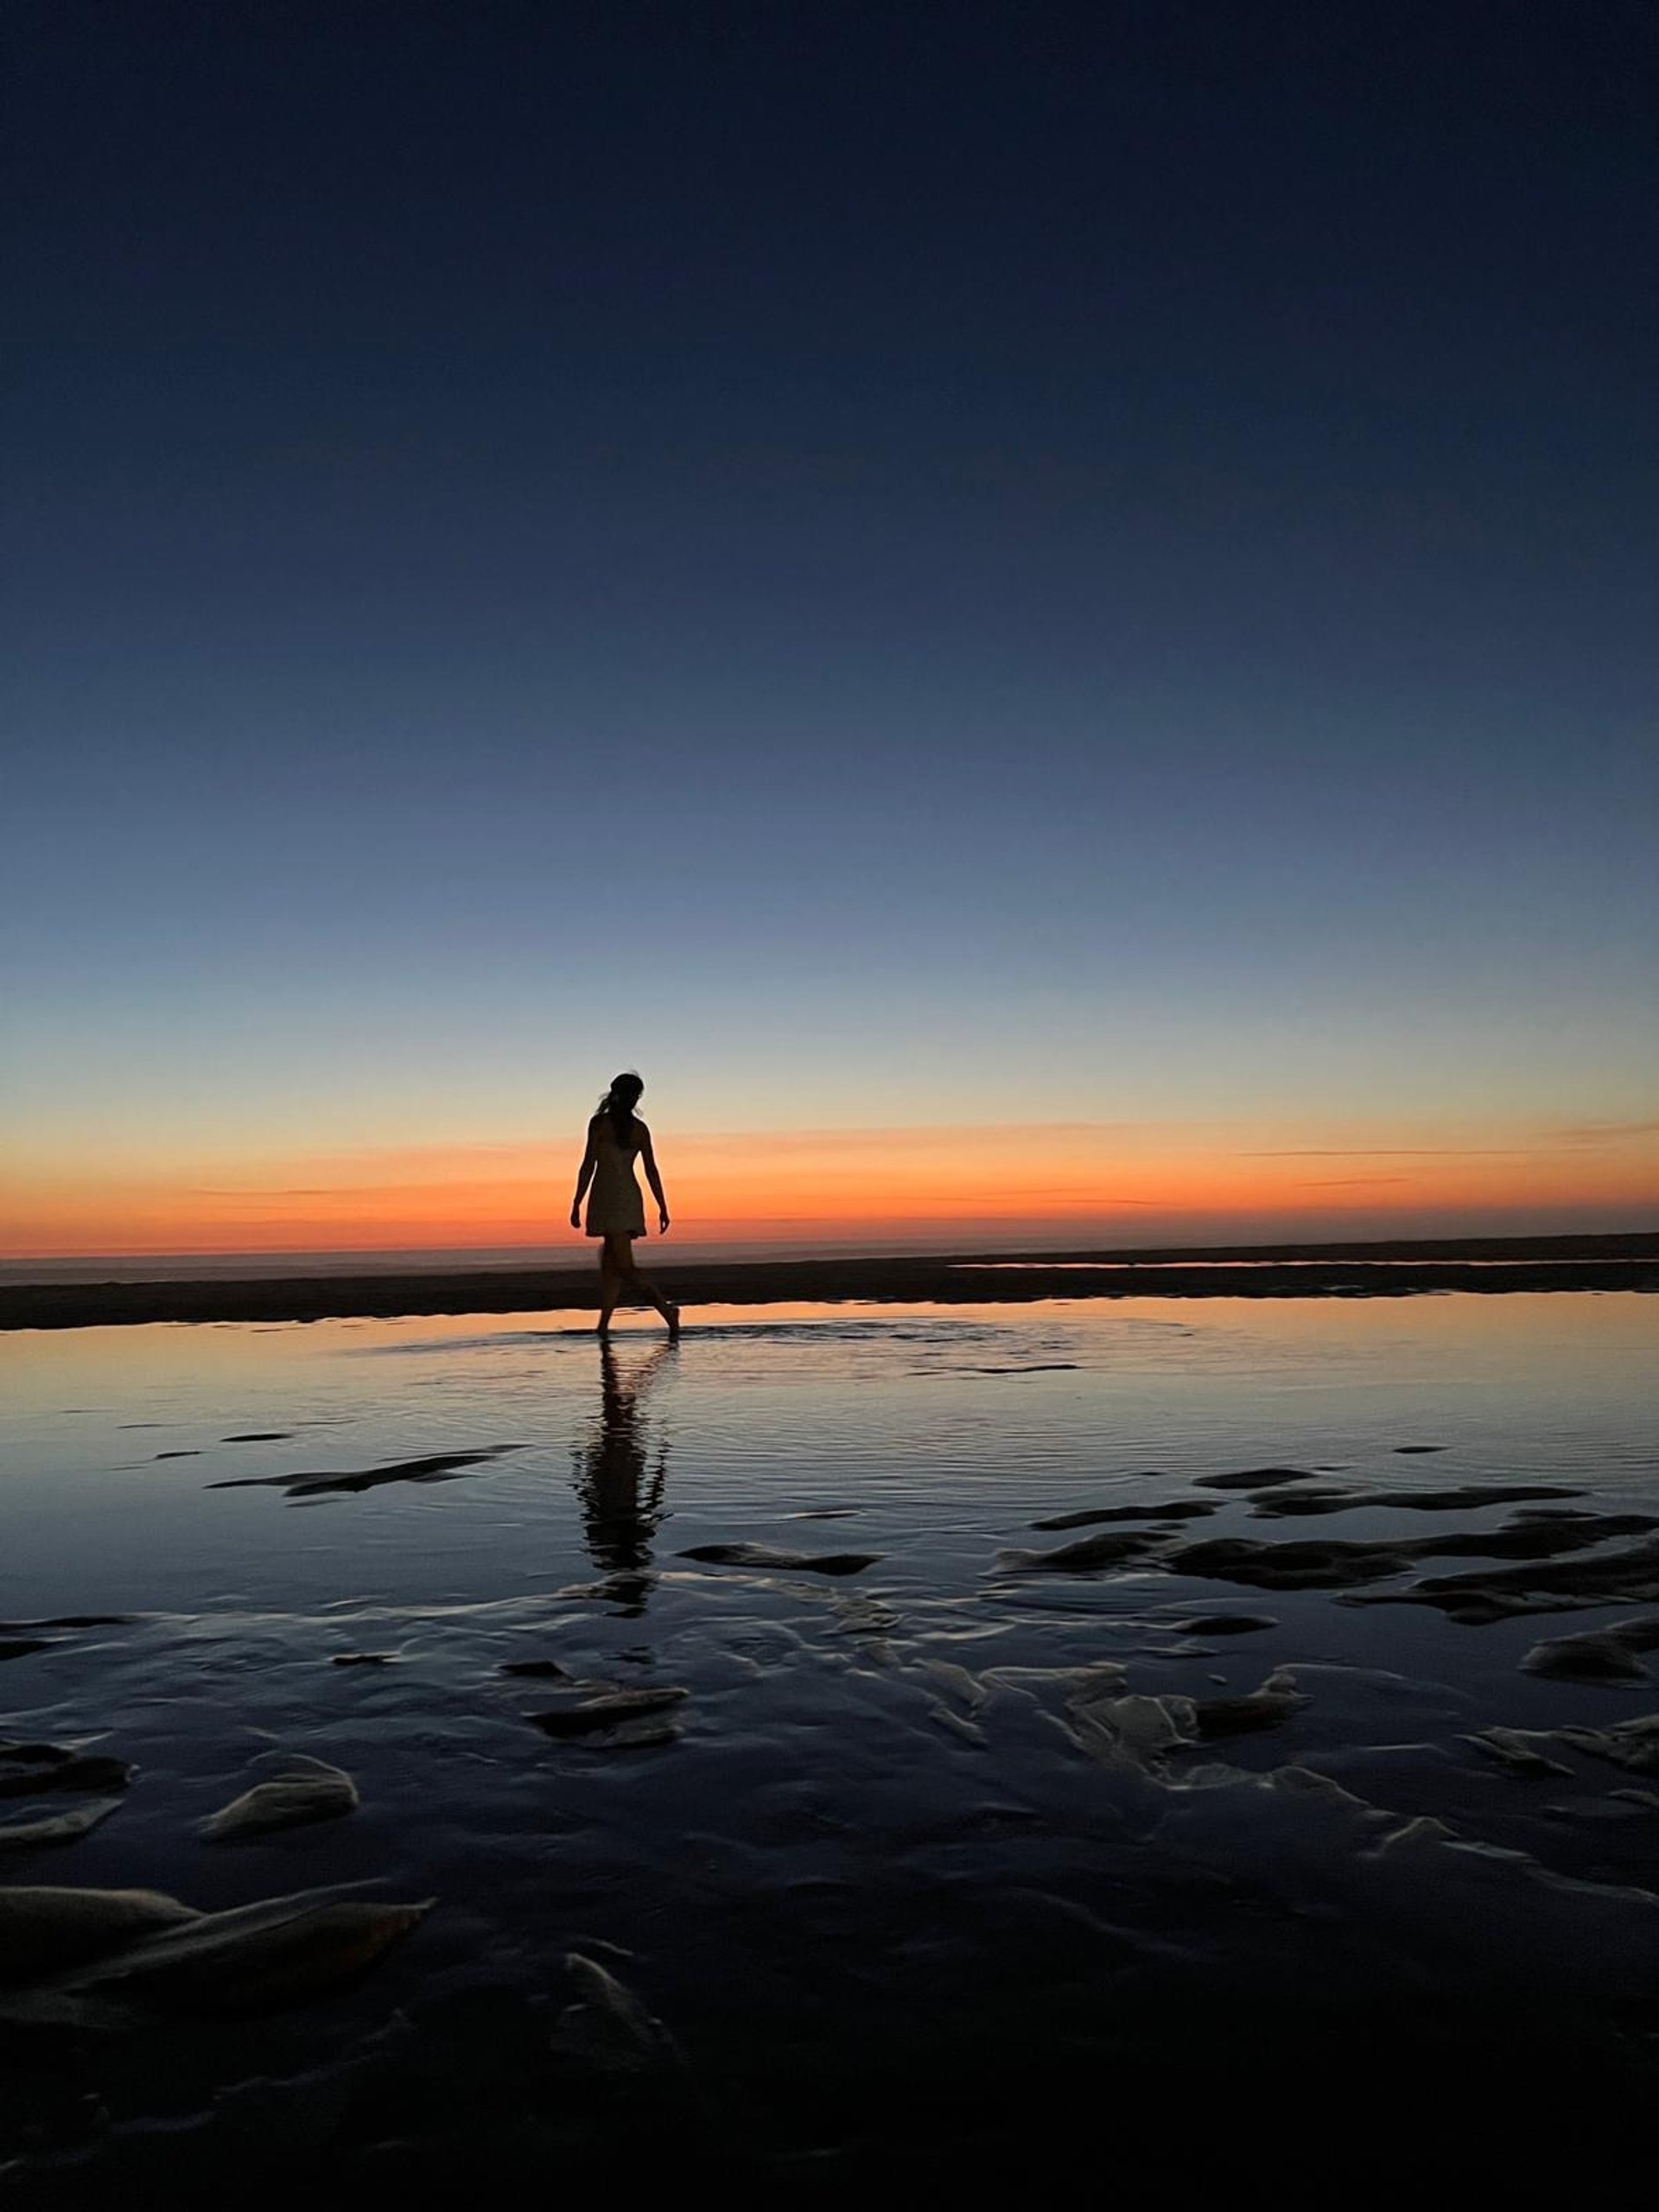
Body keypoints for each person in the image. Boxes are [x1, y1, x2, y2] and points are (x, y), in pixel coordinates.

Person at [569, 1071, 681, 1336]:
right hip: (606, 1197)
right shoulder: (600, 1124)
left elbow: (651, 1170)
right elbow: (588, 1165)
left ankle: (668, 1311)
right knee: (611, 1263)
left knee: (625, 1266)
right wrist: (577, 1201)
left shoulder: (635, 1129)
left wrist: (663, 1206)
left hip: (622, 1199)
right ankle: (603, 1326)